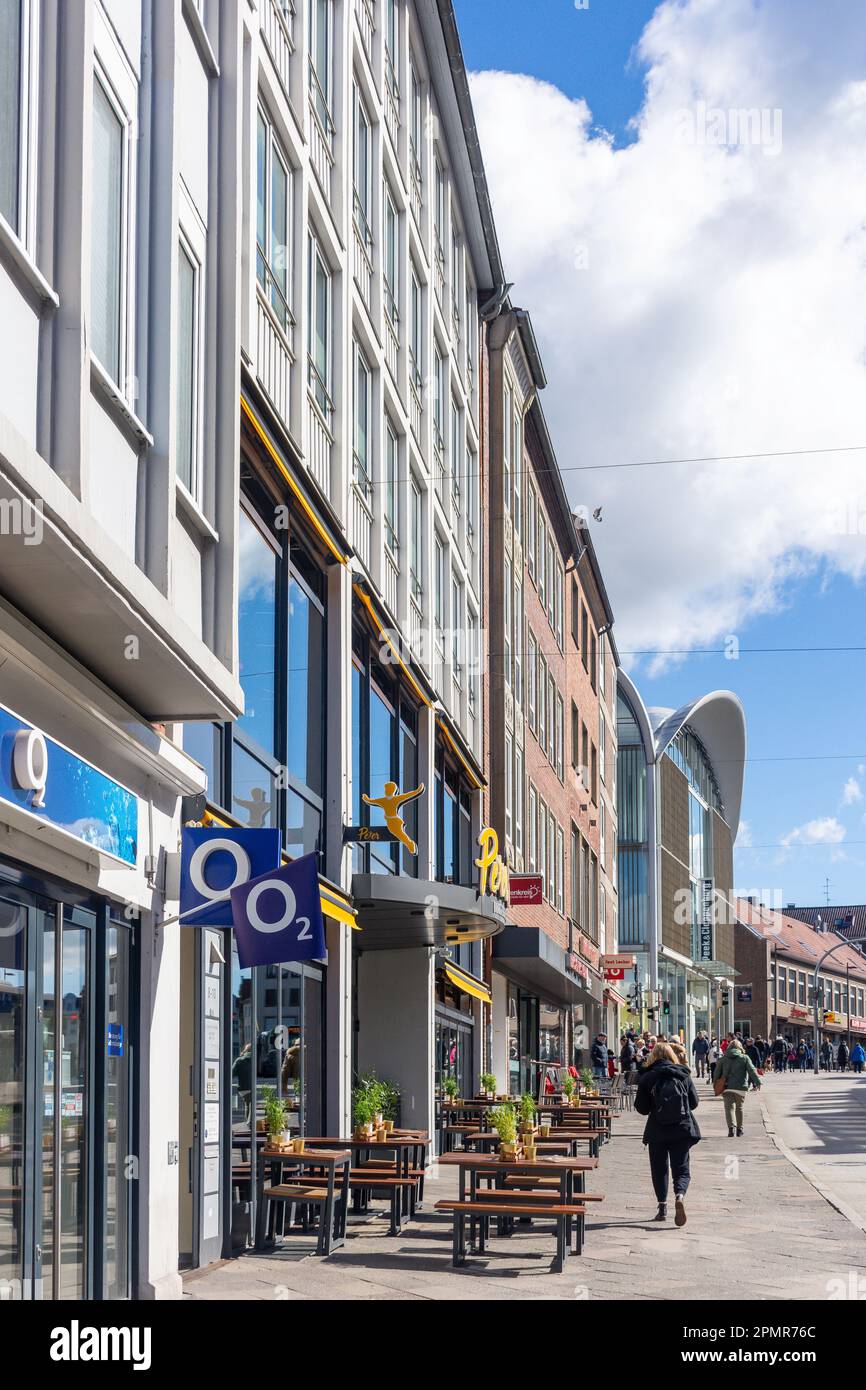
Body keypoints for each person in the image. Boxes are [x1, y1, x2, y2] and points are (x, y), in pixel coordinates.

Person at [634, 1040, 701, 1226]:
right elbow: (694, 1102)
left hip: (657, 1130)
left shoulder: (648, 1077)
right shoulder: (683, 1074)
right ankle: (679, 1195)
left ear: (653, 1056)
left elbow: (641, 1108)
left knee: (659, 1168)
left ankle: (662, 1207)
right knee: (681, 1168)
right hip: (681, 1128)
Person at [715, 1036, 761, 1136]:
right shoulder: (745, 1058)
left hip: (726, 1087)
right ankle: (740, 1130)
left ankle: (731, 1129)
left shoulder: (723, 1059)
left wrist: (716, 1086)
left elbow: (716, 1074)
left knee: (729, 1108)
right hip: (741, 1087)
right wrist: (758, 1082)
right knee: (739, 1108)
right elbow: (752, 1070)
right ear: (740, 1047)